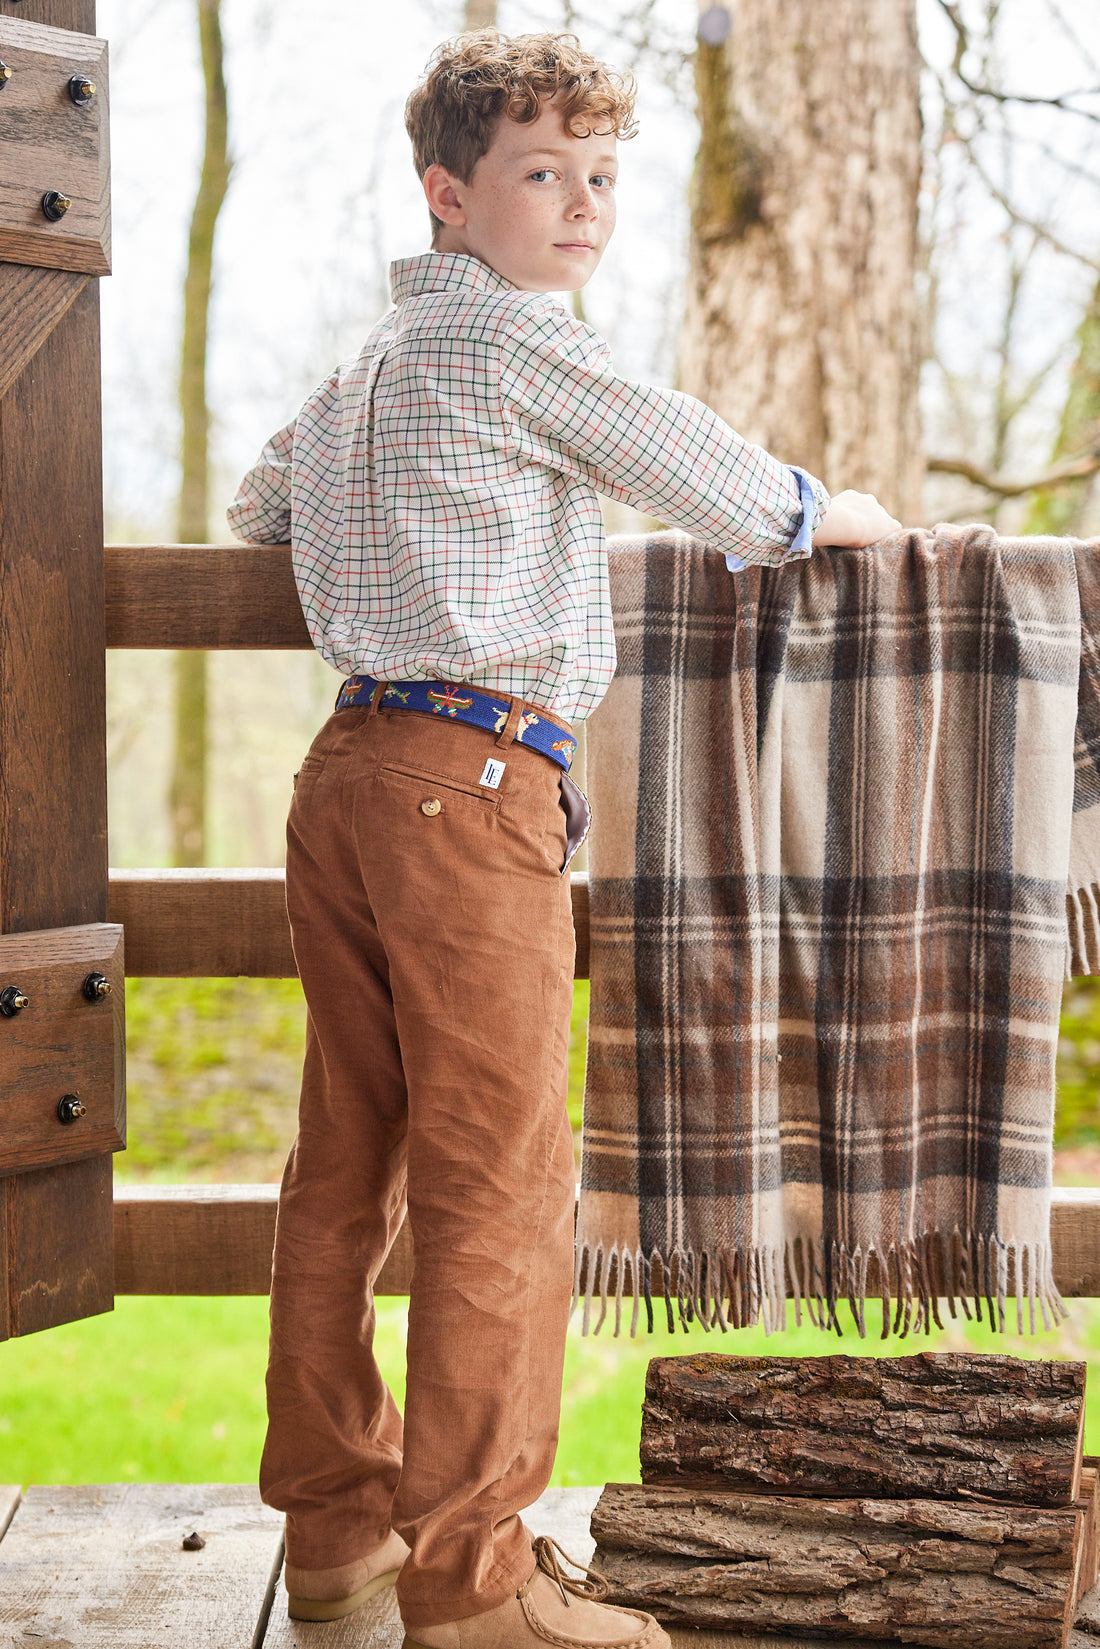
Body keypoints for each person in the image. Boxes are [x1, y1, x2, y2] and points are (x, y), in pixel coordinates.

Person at [228, 28, 900, 1649]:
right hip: (473, 789)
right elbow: (719, 487)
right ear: (454, 197)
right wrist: (839, 514)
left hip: (347, 777)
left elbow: (260, 507)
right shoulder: (524, 344)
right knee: (496, 1182)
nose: (586, 205)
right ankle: (474, 1585)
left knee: (345, 1160)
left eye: (604, 175)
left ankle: (332, 1540)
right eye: (545, 174)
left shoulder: (367, 366)